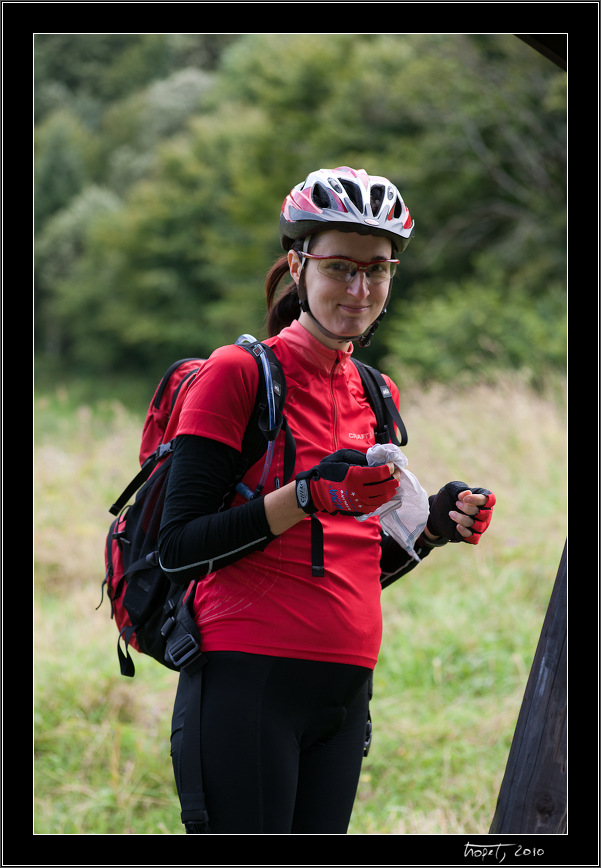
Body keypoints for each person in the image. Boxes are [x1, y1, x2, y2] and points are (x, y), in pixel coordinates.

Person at [158, 166, 496, 834]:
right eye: (340, 266)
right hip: (245, 677)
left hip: (343, 689)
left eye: (378, 269)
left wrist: (429, 527)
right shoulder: (237, 374)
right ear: (297, 263)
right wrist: (308, 495)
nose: (359, 288)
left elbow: (356, 563)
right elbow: (178, 548)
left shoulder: (377, 393)